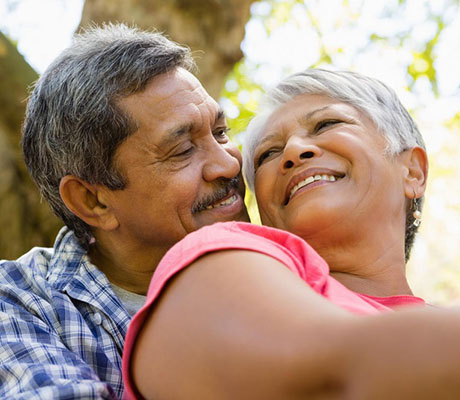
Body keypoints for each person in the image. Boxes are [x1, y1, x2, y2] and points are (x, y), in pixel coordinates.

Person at [123, 69, 460, 399]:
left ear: (413, 171)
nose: (294, 151)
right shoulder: (211, 263)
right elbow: (343, 373)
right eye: (268, 154)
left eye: (327, 124)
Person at [0, 23, 249, 399]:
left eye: (220, 133)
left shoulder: (301, 258)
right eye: (182, 151)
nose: (228, 165)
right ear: (92, 201)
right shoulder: (20, 301)